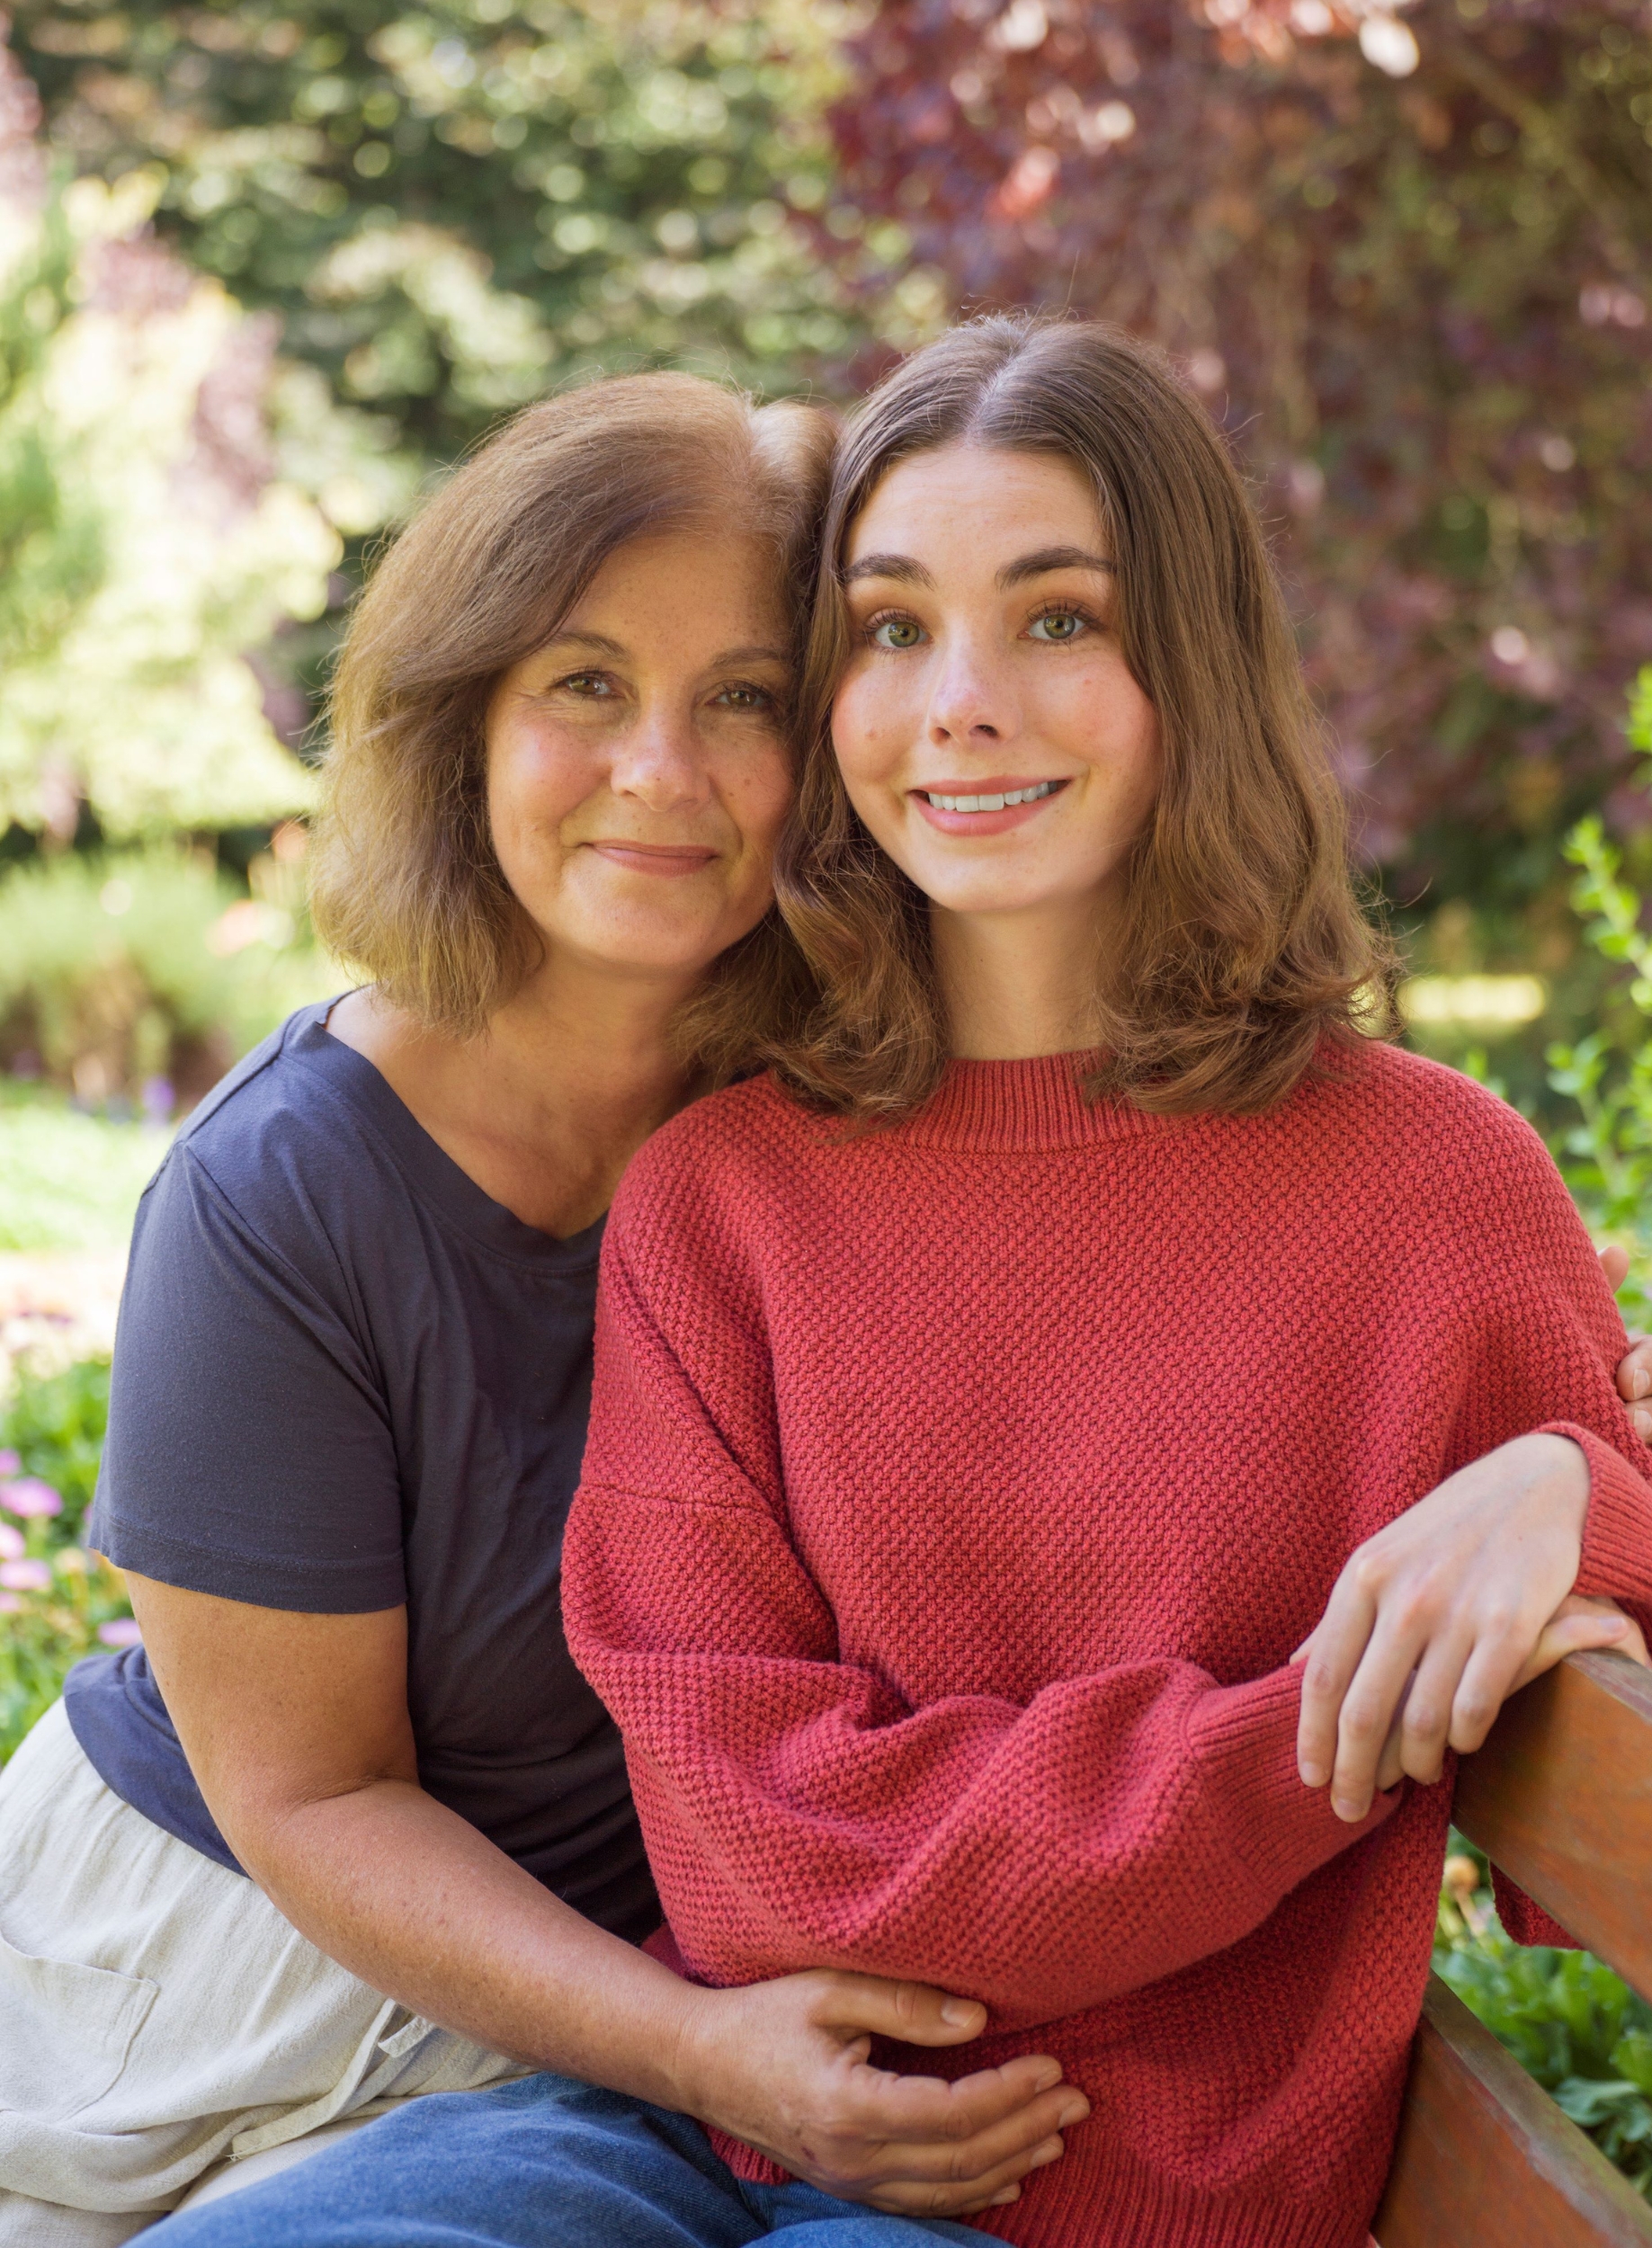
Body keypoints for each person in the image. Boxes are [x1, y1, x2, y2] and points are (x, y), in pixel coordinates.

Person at [147, 317, 1652, 2248]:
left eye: (1057, 618)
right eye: (892, 627)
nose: (960, 704)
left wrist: (1582, 1498)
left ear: (1193, 666)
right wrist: (1317, 1741)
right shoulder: (726, 1193)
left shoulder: (1428, 1183)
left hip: (1099, 2197)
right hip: (713, 2119)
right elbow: (752, 1836)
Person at [0, 374, 1097, 2248]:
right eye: (586, 682)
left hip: (611, 2051)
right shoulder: (281, 1195)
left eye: (743, 697)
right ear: (467, 725)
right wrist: (704, 2052)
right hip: (211, 1990)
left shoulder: (847, 1115)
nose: (662, 769)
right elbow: (314, 1800)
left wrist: (1551, 1447)